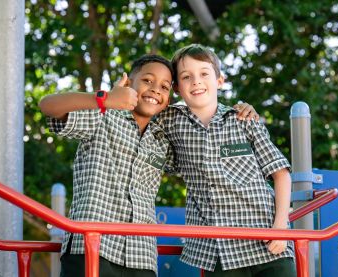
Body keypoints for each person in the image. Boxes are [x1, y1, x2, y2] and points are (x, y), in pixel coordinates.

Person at [39, 54, 258, 277]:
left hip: (141, 255)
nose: (155, 89)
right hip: (94, 247)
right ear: (129, 82)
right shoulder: (102, 118)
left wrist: (235, 113)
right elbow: (48, 105)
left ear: (169, 98)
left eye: (164, 86)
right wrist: (105, 99)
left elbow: (205, 152)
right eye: (147, 81)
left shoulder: (162, 140)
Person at [158, 44, 296, 276]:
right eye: (186, 77)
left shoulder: (243, 119)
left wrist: (280, 228)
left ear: (219, 80)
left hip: (267, 242)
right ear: (177, 88)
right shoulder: (170, 121)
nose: (196, 81)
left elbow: (281, 174)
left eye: (204, 73)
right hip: (220, 251)